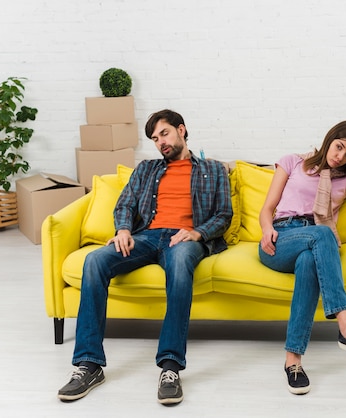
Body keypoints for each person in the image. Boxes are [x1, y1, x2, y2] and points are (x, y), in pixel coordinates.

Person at [57, 109, 232, 405]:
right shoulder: (147, 169)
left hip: (186, 238)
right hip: (147, 236)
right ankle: (89, 364)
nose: (160, 142)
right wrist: (124, 229)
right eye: (154, 138)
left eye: (164, 134)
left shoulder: (213, 169)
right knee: (95, 260)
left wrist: (197, 233)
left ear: (181, 130)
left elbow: (224, 215)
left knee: (179, 265)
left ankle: (170, 367)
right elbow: (124, 203)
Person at [258, 120, 346, 395]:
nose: (339, 157)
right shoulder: (293, 162)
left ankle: (292, 360)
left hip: (313, 244)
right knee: (323, 234)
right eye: (339, 148)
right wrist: (266, 229)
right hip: (281, 239)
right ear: (330, 139)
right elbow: (267, 208)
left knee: (310, 260)